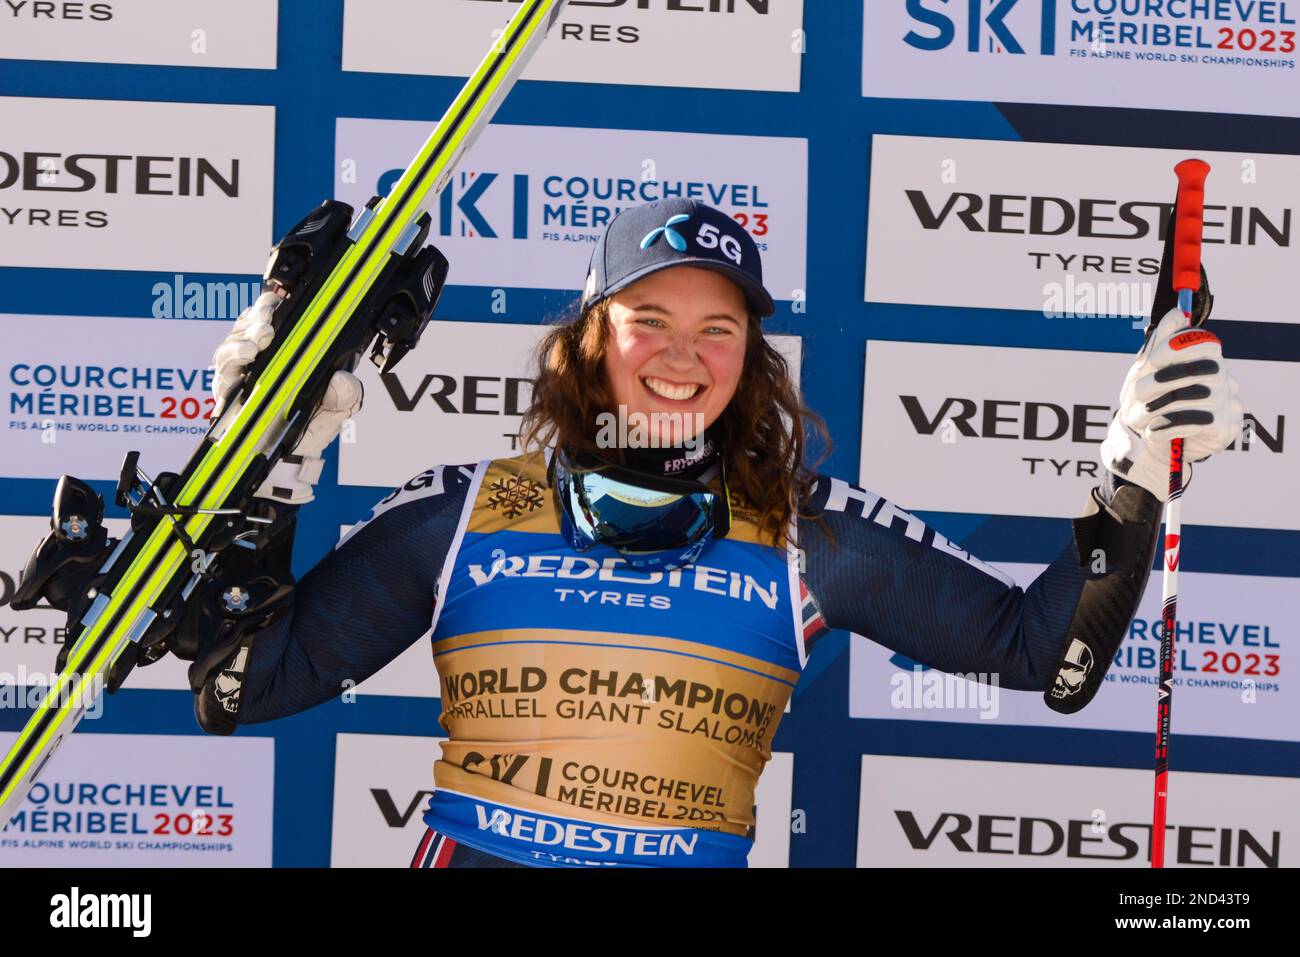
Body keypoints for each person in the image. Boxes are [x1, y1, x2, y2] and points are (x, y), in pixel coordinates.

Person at [41, 198, 1246, 868]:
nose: (682, 355)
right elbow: (238, 689)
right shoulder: (464, 513)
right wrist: (273, 460)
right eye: (648, 319)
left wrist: (1130, 471)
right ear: (585, 340)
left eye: (718, 330)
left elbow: (1053, 659)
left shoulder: (806, 536)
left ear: (752, 358)